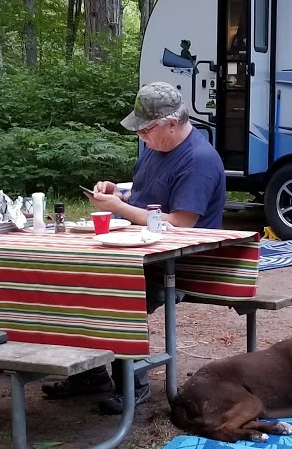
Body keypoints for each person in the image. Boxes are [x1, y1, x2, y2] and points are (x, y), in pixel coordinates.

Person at [42, 82, 226, 410]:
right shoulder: (156, 149)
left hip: (178, 262)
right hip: (141, 252)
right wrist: (121, 193)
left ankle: (133, 384)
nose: (141, 136)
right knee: (71, 277)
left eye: (146, 129)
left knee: (112, 292)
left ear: (173, 123)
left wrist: (119, 208)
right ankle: (91, 375)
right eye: (139, 130)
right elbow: (148, 198)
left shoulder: (199, 160)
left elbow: (179, 223)